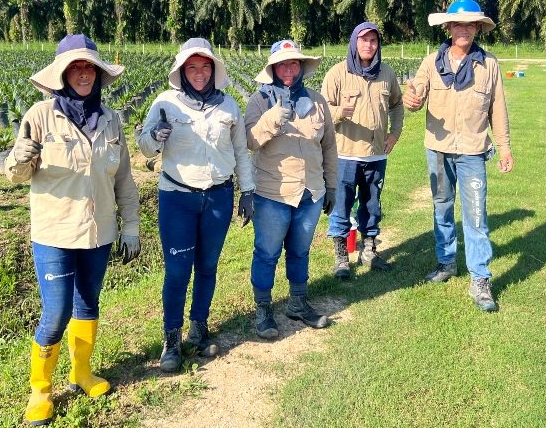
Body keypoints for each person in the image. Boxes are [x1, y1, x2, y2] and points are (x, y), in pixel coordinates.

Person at [5, 34, 141, 426]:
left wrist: (130, 227)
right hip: (54, 234)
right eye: (75, 67)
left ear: (98, 73)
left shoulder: (112, 119)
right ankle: (41, 391)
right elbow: (16, 175)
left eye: (89, 67)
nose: (83, 73)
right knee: (57, 311)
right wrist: (18, 158)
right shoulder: (41, 115)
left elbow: (125, 181)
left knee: (88, 304)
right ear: (63, 74)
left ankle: (81, 372)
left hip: (99, 233)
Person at [137, 38, 255, 371]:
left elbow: (241, 152)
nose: (199, 73)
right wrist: (155, 136)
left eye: (205, 66)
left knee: (207, 267)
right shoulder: (165, 104)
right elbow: (144, 147)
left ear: (214, 70)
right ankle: (170, 340)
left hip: (218, 197)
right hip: (178, 198)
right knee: (177, 272)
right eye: (192, 67)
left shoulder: (229, 106)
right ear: (182, 71)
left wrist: (247, 191)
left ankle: (198, 328)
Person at [403, 0, 514, 312]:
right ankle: (447, 262)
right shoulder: (431, 62)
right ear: (448, 27)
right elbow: (416, 94)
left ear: (477, 28)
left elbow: (498, 110)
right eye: (458, 24)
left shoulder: (489, 64)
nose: (464, 29)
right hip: (437, 150)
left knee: (476, 216)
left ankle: (480, 279)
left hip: (473, 152)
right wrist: (412, 101)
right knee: (442, 208)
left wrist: (504, 146)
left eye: (470, 24)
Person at [245, 40, 338, 339]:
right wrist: (273, 118)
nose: (288, 69)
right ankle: (263, 309)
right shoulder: (259, 101)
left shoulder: (317, 101)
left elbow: (329, 146)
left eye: (294, 63)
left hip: (310, 192)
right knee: (267, 252)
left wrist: (331, 185)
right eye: (283, 64)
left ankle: (297, 303)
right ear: (272, 68)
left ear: (301, 67)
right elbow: (249, 141)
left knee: (299, 251)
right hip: (273, 194)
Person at [320, 22, 404, 278]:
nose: (369, 45)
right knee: (341, 205)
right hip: (344, 155)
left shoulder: (386, 74)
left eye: (373, 41)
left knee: (372, 203)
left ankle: (369, 250)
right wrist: (338, 112)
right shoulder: (337, 74)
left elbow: (397, 105)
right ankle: (341, 256)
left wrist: (395, 133)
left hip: (376, 154)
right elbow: (321, 112)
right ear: (354, 42)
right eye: (363, 40)